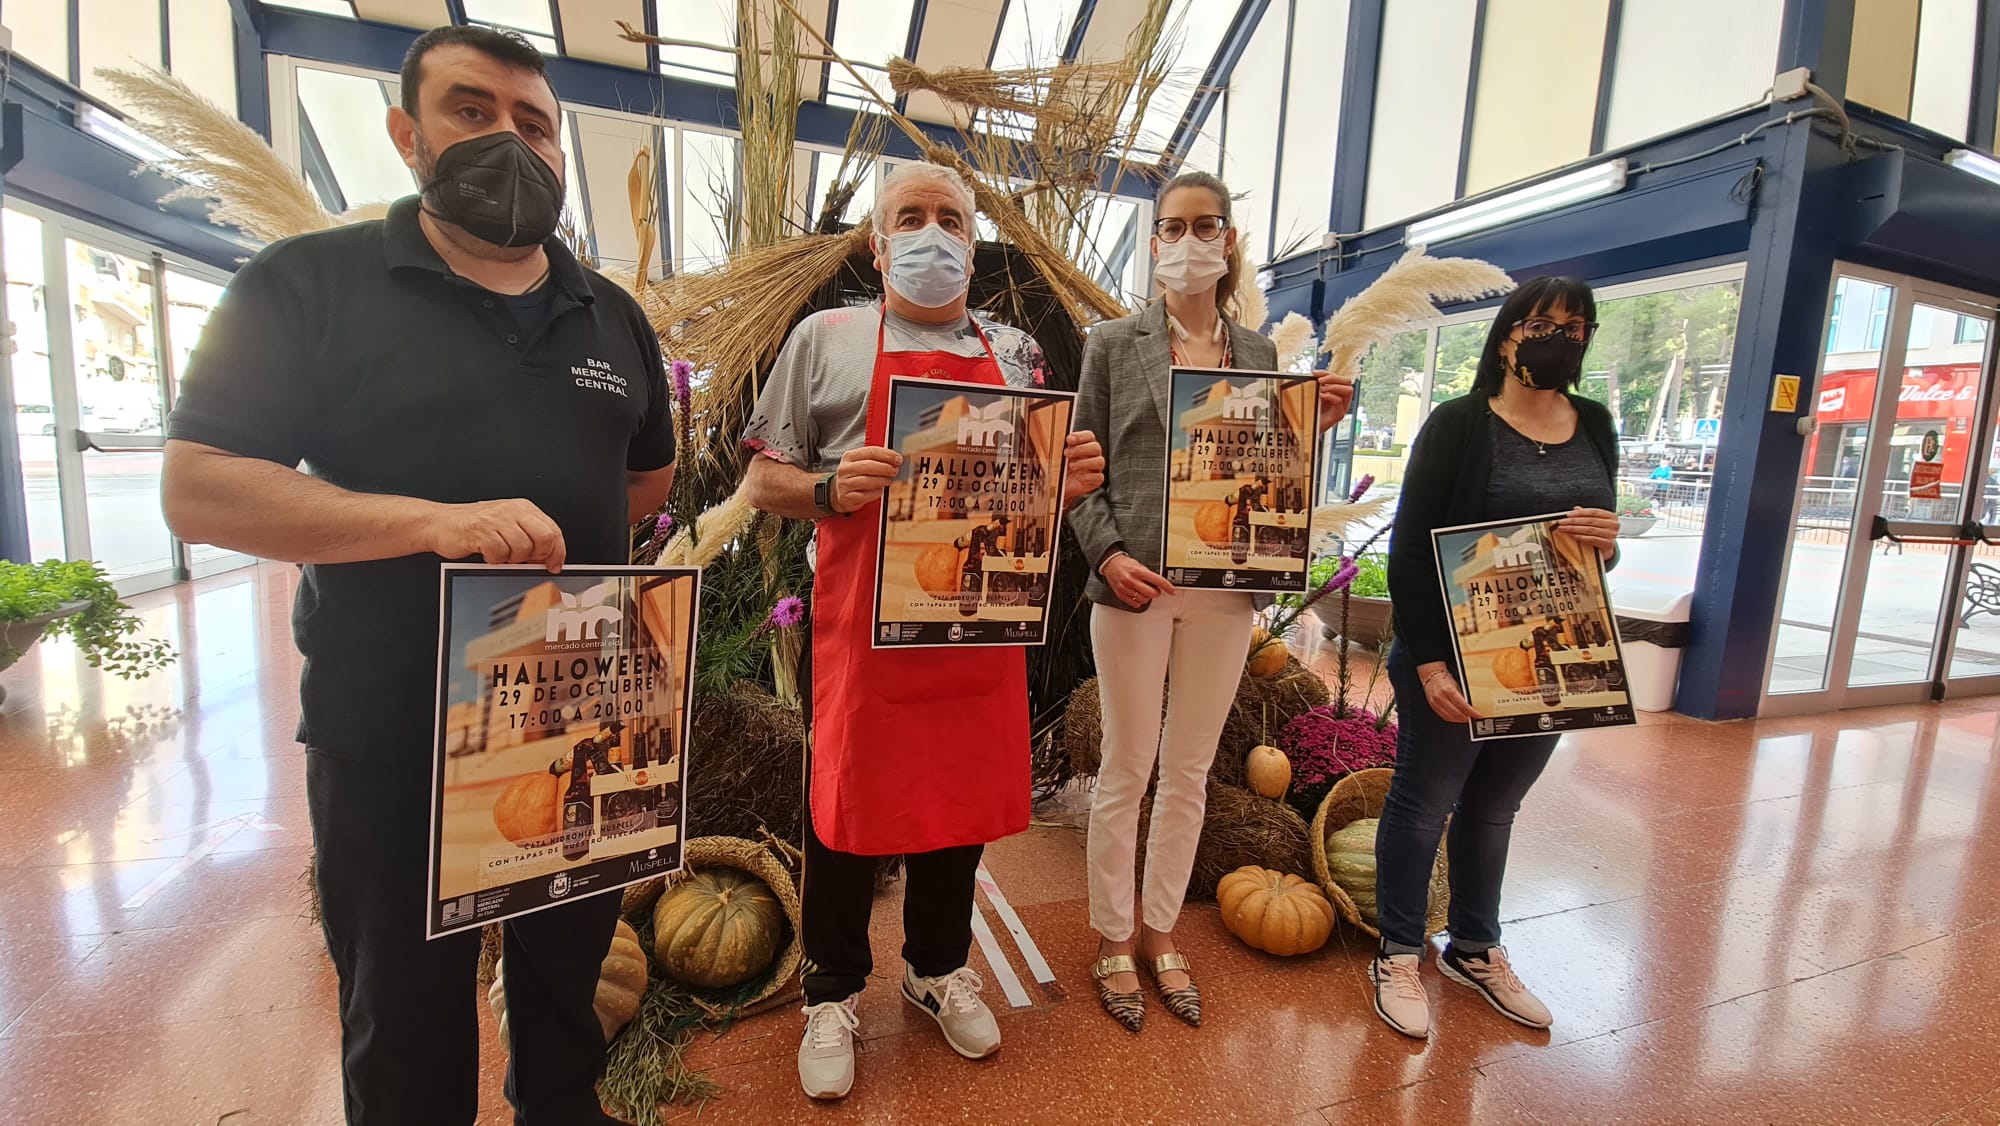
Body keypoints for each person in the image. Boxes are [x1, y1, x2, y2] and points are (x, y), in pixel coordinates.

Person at [159, 27, 675, 1124]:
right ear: (407, 133)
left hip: (570, 722)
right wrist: (428, 524)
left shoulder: (612, 315)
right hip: (390, 727)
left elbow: (645, 475)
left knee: (565, 990)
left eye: (533, 125)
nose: (508, 141)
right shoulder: (310, 283)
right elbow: (201, 486)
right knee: (402, 1015)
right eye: (470, 110)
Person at [738, 161, 1104, 1101]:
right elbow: (762, 480)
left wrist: (1065, 482)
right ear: (877, 241)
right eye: (911, 215)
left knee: (959, 805)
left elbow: (1030, 491)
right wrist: (825, 487)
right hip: (865, 629)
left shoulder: (1019, 355)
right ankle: (833, 988)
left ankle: (938, 967)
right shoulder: (826, 338)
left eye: (950, 217)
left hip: (980, 626)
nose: (931, 231)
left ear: (973, 242)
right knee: (850, 810)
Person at [1067, 171, 1353, 1032]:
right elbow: (1077, 473)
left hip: (1227, 597)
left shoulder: (1260, 358)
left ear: (1229, 241)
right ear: (1154, 242)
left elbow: (1267, 476)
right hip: (1135, 590)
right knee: (1128, 765)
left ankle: (1160, 930)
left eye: (1205, 226)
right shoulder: (1114, 344)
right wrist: (1109, 555)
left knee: (1189, 769)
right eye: (1171, 227)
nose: (1188, 241)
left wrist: (1314, 432)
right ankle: (1112, 934)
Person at [1370, 276, 1621, 1040]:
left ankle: (1475, 947)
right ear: (1508, 332)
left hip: (1549, 654)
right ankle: (1399, 953)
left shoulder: (1597, 423)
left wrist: (1607, 544)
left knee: (1496, 806)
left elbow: (1593, 551)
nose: (1560, 336)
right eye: (1544, 321)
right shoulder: (1459, 424)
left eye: (1576, 326)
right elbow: (1410, 551)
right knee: (1424, 801)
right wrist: (1431, 665)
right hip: (1453, 653)